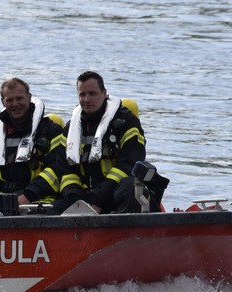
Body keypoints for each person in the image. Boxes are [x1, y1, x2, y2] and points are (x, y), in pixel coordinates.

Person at [51, 70, 160, 214]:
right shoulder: (70, 129)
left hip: (115, 194)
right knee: (48, 211)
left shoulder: (126, 122)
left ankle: (130, 233)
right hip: (83, 197)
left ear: (104, 93)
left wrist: (98, 201)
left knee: (131, 187)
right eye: (82, 94)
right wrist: (76, 200)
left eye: (92, 93)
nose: (87, 99)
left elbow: (128, 164)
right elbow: (64, 170)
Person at [0, 77, 65, 209]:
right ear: (3, 102)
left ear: (29, 97)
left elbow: (57, 170)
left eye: (19, 98)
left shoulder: (51, 132)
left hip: (43, 203)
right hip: (0, 207)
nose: (15, 104)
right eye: (9, 100)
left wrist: (27, 196)